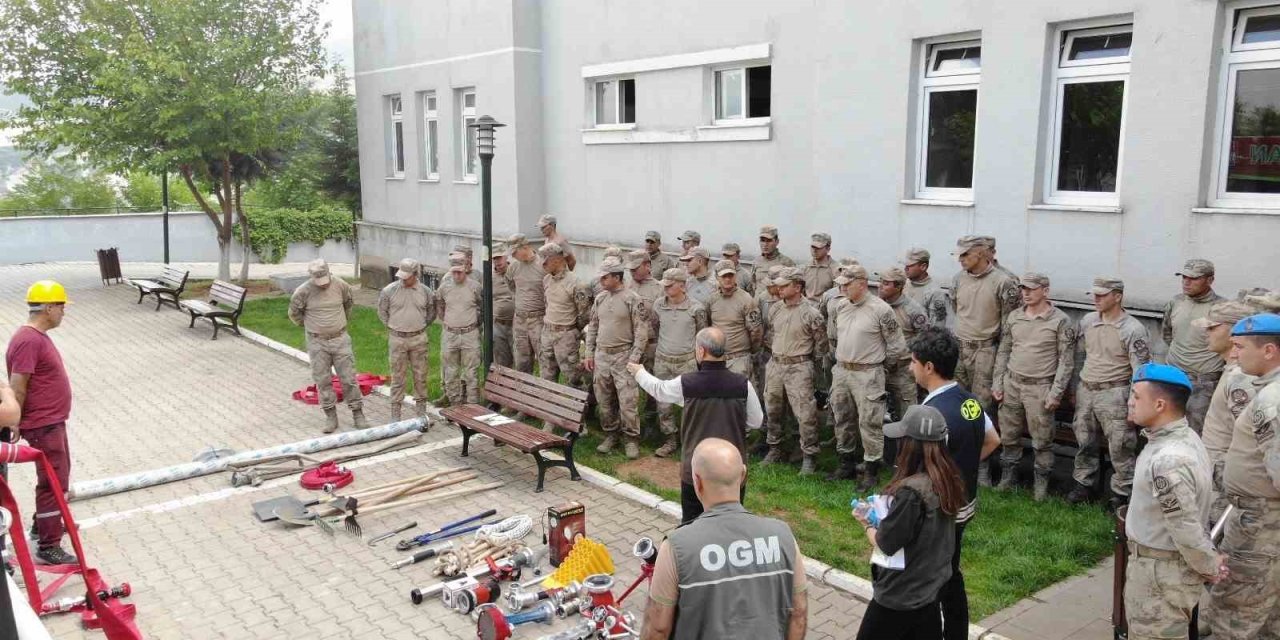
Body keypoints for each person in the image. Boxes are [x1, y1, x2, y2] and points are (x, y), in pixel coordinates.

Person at [640, 438, 806, 640]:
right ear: (743, 475)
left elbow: (658, 629)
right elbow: (799, 614)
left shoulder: (677, 546)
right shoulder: (783, 536)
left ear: (697, 481)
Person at [1124, 363, 1227, 640]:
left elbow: (1184, 526)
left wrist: (1209, 565)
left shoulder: (1169, 460)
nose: (1130, 402)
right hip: (1161, 568)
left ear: (1160, 405)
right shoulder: (1184, 437)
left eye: (1136, 396)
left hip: (1159, 575)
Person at [909, 325, 999, 640]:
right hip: (965, 505)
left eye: (913, 362)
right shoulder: (969, 401)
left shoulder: (931, 414)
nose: (910, 368)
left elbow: (920, 470)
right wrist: (965, 465)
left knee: (932, 576)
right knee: (951, 570)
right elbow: (993, 440)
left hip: (940, 513)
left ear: (928, 367)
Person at [852, 404, 965, 640]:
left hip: (900, 596)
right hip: (930, 589)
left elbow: (886, 543)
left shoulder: (911, 493)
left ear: (911, 445)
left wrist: (867, 523)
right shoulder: (948, 479)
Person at [630, 329, 764, 523]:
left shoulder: (688, 383)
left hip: (696, 470)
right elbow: (756, 421)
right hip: (732, 470)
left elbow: (659, 390)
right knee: (729, 524)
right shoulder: (743, 385)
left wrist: (639, 372)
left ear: (701, 351)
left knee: (692, 524)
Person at [1209, 312, 1280, 639]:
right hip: (1259, 517)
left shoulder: (1271, 401)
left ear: (1269, 350)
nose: (1234, 354)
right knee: (1268, 609)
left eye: (1240, 347)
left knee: (1235, 608)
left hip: (1260, 523)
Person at [5, 280, 78, 565]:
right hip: (43, 424)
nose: (63, 312)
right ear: (48, 308)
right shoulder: (29, 340)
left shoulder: (35, 336)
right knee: (52, 482)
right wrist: (14, 420)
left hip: (52, 421)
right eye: (61, 306)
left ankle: (44, 524)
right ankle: (49, 546)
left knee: (58, 478)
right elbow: (18, 385)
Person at [991, 272, 1075, 500]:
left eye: (1031, 289)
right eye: (1023, 289)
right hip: (1012, 383)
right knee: (1009, 435)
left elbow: (1066, 361)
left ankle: (1041, 484)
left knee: (1042, 440)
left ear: (1045, 291)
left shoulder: (1060, 321)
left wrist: (1056, 392)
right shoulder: (1014, 317)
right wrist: (998, 382)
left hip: (1040, 388)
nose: (1025, 293)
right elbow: (1004, 351)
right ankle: (1008, 477)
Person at [1070, 277, 1153, 505]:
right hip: (1087, 389)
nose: (1096, 299)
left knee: (1120, 447)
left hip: (1115, 392)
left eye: (1102, 295)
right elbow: (1080, 355)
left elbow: (1141, 371)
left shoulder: (1133, 329)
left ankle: (1121, 494)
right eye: (1094, 294)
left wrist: (1134, 403)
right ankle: (1083, 485)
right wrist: (1075, 387)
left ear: (1117, 296)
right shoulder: (1088, 321)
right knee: (1084, 441)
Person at [826, 265, 907, 488]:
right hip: (842, 370)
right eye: (840, 284)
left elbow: (897, 346)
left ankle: (871, 471)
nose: (842, 288)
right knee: (842, 417)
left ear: (862, 284)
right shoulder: (841, 306)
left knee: (869, 422)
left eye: (847, 284)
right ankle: (846, 464)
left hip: (868, 372)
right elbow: (833, 337)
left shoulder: (881, 310)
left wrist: (880, 368)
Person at [950, 235, 1020, 486]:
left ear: (980, 253)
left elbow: (1009, 323)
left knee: (978, 409)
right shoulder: (958, 279)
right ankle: (957, 459)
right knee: (957, 404)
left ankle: (981, 466)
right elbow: (957, 308)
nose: (961, 260)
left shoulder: (1003, 282)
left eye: (965, 254)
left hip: (986, 351)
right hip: (960, 348)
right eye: (959, 255)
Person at [1193, 300, 1264, 525]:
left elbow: (1248, 434)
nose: (1207, 332)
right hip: (1217, 465)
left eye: (1213, 327)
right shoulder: (1232, 370)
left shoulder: (1240, 377)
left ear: (1234, 331)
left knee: (1216, 528)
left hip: (1225, 469)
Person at [761, 267, 828, 475]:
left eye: (785, 285)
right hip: (775, 364)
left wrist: (805, 363)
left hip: (799, 366)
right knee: (772, 409)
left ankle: (809, 456)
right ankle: (775, 448)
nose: (779, 289)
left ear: (797, 287)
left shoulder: (812, 313)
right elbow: (771, 334)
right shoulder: (776, 309)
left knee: (805, 413)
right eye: (779, 285)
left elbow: (821, 345)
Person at [289, 259, 370, 432]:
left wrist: (338, 324)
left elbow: (348, 304)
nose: (323, 284)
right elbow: (294, 314)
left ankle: (358, 413)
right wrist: (313, 327)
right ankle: (330, 416)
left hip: (340, 339)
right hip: (317, 342)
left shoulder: (341, 285)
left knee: (348, 378)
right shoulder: (302, 291)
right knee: (323, 380)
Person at [585, 257, 652, 459]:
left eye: (605, 277)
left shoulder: (632, 299)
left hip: (624, 355)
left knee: (628, 401)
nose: (601, 281)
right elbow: (593, 327)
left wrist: (634, 357)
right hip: (602, 355)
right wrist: (589, 353)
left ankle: (631, 439)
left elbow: (641, 331)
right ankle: (611, 434)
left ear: (617, 277)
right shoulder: (600, 298)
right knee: (604, 399)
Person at [648, 268, 709, 459]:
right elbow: (655, 327)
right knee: (663, 403)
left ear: (682, 286)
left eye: (670, 285)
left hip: (687, 363)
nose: (665, 288)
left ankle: (690, 441)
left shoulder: (696, 308)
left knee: (690, 404)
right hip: (663, 361)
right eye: (664, 285)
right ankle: (670, 440)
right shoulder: (658, 305)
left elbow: (702, 335)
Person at [1162, 259, 1226, 434]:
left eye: (1194, 278)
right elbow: (1167, 333)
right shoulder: (1176, 302)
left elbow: (1228, 346)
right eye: (1184, 277)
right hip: (1173, 377)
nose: (1186, 282)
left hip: (1203, 382)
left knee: (1194, 432)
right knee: (1166, 428)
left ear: (1210, 280)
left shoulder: (1221, 308)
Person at [376, 258, 437, 421]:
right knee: (397, 377)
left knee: (421, 376)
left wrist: (419, 326)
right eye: (401, 276)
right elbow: (382, 312)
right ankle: (395, 415)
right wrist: (394, 326)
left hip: (418, 339)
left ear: (416, 275)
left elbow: (431, 313)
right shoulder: (389, 291)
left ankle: (421, 414)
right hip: (397, 339)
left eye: (407, 276)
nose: (402, 279)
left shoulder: (426, 292)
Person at [877, 266, 928, 421]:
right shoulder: (876, 306)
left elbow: (924, 338)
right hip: (878, 366)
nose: (880, 286)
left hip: (903, 370)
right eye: (881, 281)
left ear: (898, 286)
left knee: (907, 415)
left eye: (886, 283)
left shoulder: (913, 310)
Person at [539, 243, 591, 389]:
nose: (542, 265)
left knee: (573, 378)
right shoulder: (546, 280)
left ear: (557, 260)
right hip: (547, 333)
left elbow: (585, 314)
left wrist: (570, 330)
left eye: (545, 261)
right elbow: (547, 304)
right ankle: (548, 403)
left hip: (566, 336)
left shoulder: (577, 283)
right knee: (546, 377)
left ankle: (579, 403)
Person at [436, 257, 484, 406]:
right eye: (454, 272)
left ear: (465, 270)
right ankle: (454, 403)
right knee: (450, 372)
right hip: (450, 334)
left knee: (471, 372)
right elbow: (440, 306)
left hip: (470, 334)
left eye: (460, 272)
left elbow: (482, 306)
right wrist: (449, 321)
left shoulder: (475, 287)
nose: (457, 275)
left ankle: (472, 404)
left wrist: (475, 322)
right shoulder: (444, 288)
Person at [707, 259, 763, 379]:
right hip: (717, 359)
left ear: (735, 276)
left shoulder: (746, 299)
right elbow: (708, 325)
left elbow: (756, 331)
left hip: (739, 359)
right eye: (724, 276)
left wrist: (751, 352)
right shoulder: (712, 299)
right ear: (717, 277)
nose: (728, 279)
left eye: (730, 275)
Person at [504, 234, 546, 376]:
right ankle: (523, 389)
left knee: (544, 359)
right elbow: (511, 285)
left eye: (515, 252)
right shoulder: (514, 267)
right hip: (520, 320)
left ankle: (543, 389)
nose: (513, 256)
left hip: (539, 319)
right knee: (522, 361)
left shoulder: (542, 265)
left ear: (525, 247)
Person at [903, 247, 949, 328]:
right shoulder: (904, 284)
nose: (906, 269)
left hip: (920, 335)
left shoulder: (935, 292)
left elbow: (937, 328)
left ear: (923, 267)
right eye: (905, 265)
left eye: (910, 266)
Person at [752, 225, 796, 299]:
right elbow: (753, 285)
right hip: (758, 303)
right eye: (762, 240)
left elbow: (793, 289)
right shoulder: (756, 261)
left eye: (769, 241)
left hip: (777, 304)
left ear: (777, 241)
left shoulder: (787, 263)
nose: (765, 244)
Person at [491, 249, 515, 368]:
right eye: (494, 259)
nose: (497, 262)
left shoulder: (515, 271)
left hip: (516, 324)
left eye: (499, 258)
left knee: (521, 360)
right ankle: (502, 380)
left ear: (506, 257)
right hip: (498, 325)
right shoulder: (490, 278)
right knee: (501, 361)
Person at [804, 233, 837, 302]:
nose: (814, 250)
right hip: (806, 306)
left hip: (825, 306)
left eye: (818, 248)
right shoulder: (805, 267)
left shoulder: (835, 270)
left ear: (828, 249)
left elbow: (836, 296)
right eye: (813, 247)